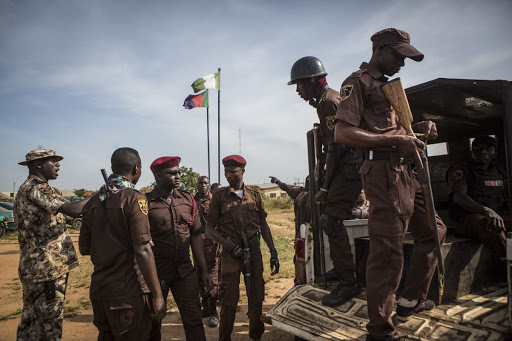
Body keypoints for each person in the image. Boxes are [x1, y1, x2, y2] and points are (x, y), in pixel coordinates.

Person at [334, 28, 447, 341]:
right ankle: (379, 330)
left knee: (434, 231)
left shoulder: (389, 86)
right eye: (399, 56)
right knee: (388, 252)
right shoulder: (356, 82)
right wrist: (395, 139)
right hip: (383, 172)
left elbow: (399, 130)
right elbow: (342, 133)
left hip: (407, 170)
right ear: (380, 50)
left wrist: (418, 130)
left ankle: (411, 298)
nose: (403, 63)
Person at [288, 56, 363, 305]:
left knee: (330, 220)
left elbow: (336, 148)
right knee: (329, 218)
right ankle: (343, 270)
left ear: (311, 81)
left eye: (299, 85)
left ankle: (348, 282)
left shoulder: (328, 102)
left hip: (349, 166)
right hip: (345, 165)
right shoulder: (326, 99)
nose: (298, 91)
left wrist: (325, 187)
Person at [79, 147, 166, 341]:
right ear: (136, 169)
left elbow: (84, 248)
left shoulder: (93, 201)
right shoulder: (134, 199)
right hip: (129, 293)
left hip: (101, 292)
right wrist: (158, 295)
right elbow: (143, 250)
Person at [14, 149, 91, 340]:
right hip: (47, 268)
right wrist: (100, 193)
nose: (58, 165)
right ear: (38, 164)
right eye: (53, 161)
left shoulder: (30, 188)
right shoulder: (38, 188)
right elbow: (73, 210)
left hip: (36, 267)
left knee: (31, 322)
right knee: (49, 324)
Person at [205, 155, 280, 341]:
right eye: (226, 171)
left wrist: (273, 251)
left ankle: (256, 336)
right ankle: (225, 338)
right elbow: (209, 229)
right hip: (231, 252)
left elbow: (263, 225)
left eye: (233, 171)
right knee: (229, 301)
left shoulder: (254, 194)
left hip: (253, 249)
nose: (228, 175)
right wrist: (228, 245)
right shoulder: (219, 197)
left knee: (256, 298)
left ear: (243, 171)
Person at [146, 157, 211, 341]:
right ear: (158, 176)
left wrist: (203, 270)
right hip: (157, 273)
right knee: (153, 321)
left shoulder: (188, 199)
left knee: (194, 319)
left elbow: (196, 235)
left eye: (179, 172)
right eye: (172, 172)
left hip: (184, 270)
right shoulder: (146, 203)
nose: (178, 176)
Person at [447, 136, 508, 258]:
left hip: (496, 214)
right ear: (472, 151)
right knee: (492, 227)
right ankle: (509, 266)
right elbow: (458, 196)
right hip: (468, 219)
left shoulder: (499, 172)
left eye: (488, 149)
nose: (483, 151)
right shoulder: (461, 169)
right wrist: (485, 210)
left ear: (495, 154)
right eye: (478, 148)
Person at [269, 176, 310, 284]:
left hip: (301, 234)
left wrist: (277, 181)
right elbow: (286, 188)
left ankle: (299, 281)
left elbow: (286, 187)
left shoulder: (299, 194)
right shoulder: (315, 195)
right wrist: (277, 181)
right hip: (308, 235)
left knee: (300, 260)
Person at [193, 175, 221, 328]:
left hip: (212, 243)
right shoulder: (191, 201)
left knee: (213, 276)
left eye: (205, 183)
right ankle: (205, 307)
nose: (203, 185)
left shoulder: (214, 201)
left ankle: (213, 311)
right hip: (197, 244)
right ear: (197, 185)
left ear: (209, 185)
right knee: (199, 275)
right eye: (200, 183)